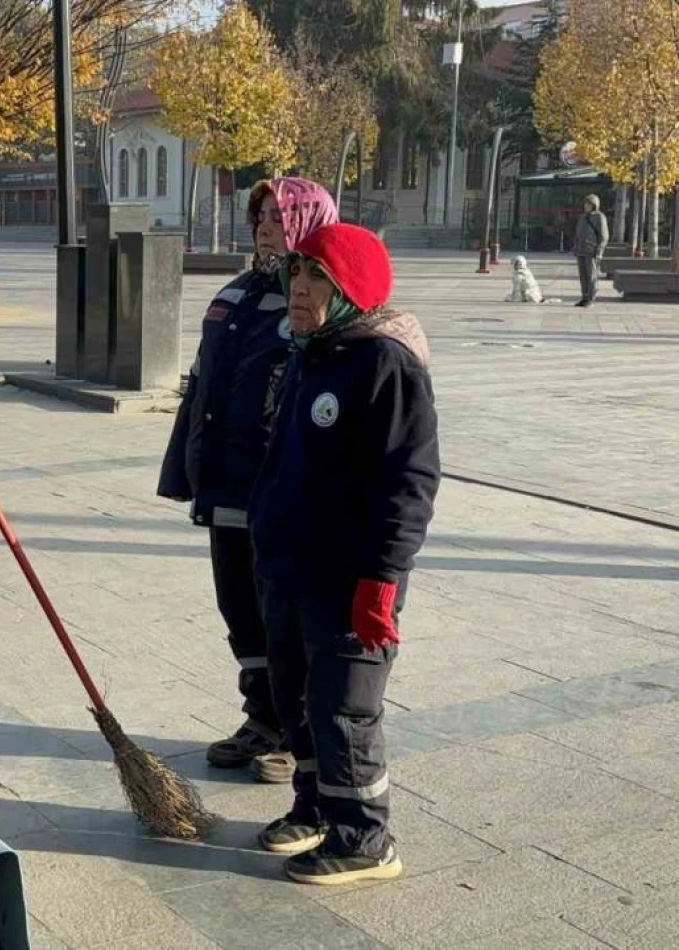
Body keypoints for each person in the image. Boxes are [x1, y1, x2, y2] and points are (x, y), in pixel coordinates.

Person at [248, 223, 439, 886]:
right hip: (290, 568)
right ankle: (316, 808)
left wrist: (382, 579)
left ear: (350, 288)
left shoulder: (384, 362)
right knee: (296, 697)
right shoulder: (314, 350)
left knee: (344, 707)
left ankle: (366, 838)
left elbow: (408, 481)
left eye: (317, 279)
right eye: (295, 276)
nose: (298, 290)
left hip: (349, 579)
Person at [159, 179, 338, 783]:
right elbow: (202, 386)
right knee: (239, 606)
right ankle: (261, 716)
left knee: (283, 613)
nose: (266, 224)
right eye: (260, 214)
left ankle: (297, 730)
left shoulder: (318, 299)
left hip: (279, 486)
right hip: (225, 481)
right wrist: (186, 467)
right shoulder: (235, 293)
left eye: (280, 214)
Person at [573, 194, 609, 307]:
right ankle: (584, 297)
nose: (586, 206)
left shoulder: (599, 217)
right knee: (583, 276)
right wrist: (576, 246)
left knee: (591, 276)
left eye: (589, 204)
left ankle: (591, 298)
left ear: (594, 205)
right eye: (585, 204)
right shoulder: (583, 217)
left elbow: (604, 236)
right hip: (581, 251)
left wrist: (599, 251)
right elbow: (578, 233)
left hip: (591, 251)